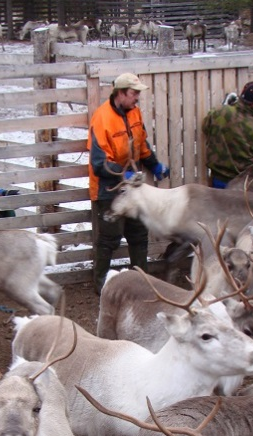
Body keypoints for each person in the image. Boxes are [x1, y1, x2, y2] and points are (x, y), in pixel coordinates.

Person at [87, 72, 169, 294]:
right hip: (108, 189)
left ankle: (142, 282)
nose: (137, 98)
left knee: (138, 234)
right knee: (108, 238)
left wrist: (154, 164)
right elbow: (98, 163)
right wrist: (123, 175)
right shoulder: (101, 118)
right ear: (120, 93)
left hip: (132, 187)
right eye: (134, 93)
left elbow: (141, 144)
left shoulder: (134, 113)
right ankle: (101, 285)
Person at [201, 81, 253, 188]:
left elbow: (205, 127)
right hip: (243, 183)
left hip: (217, 179)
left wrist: (225, 106)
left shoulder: (219, 112)